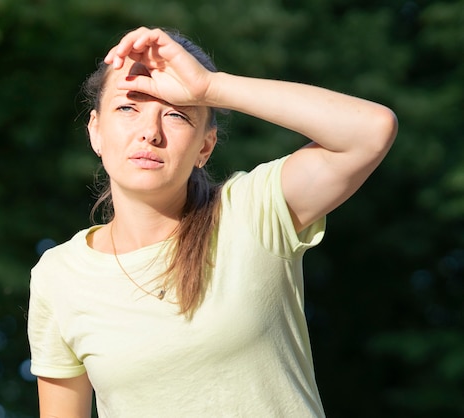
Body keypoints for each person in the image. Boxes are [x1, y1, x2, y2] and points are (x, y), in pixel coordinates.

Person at [28, 26, 397, 417]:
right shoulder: (60, 276)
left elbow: (371, 130)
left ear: (205, 147)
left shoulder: (252, 212)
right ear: (95, 131)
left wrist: (208, 88)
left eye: (175, 114)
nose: (150, 133)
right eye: (128, 108)